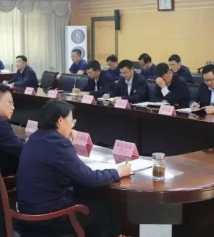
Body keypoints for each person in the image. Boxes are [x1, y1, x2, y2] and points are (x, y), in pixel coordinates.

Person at [16, 100, 131, 237]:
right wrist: (117, 172)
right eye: (71, 121)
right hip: (48, 220)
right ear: (60, 121)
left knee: (91, 198)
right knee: (105, 207)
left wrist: (68, 143)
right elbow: (89, 178)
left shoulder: (35, 138)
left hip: (26, 215)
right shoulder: (58, 144)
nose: (72, 126)